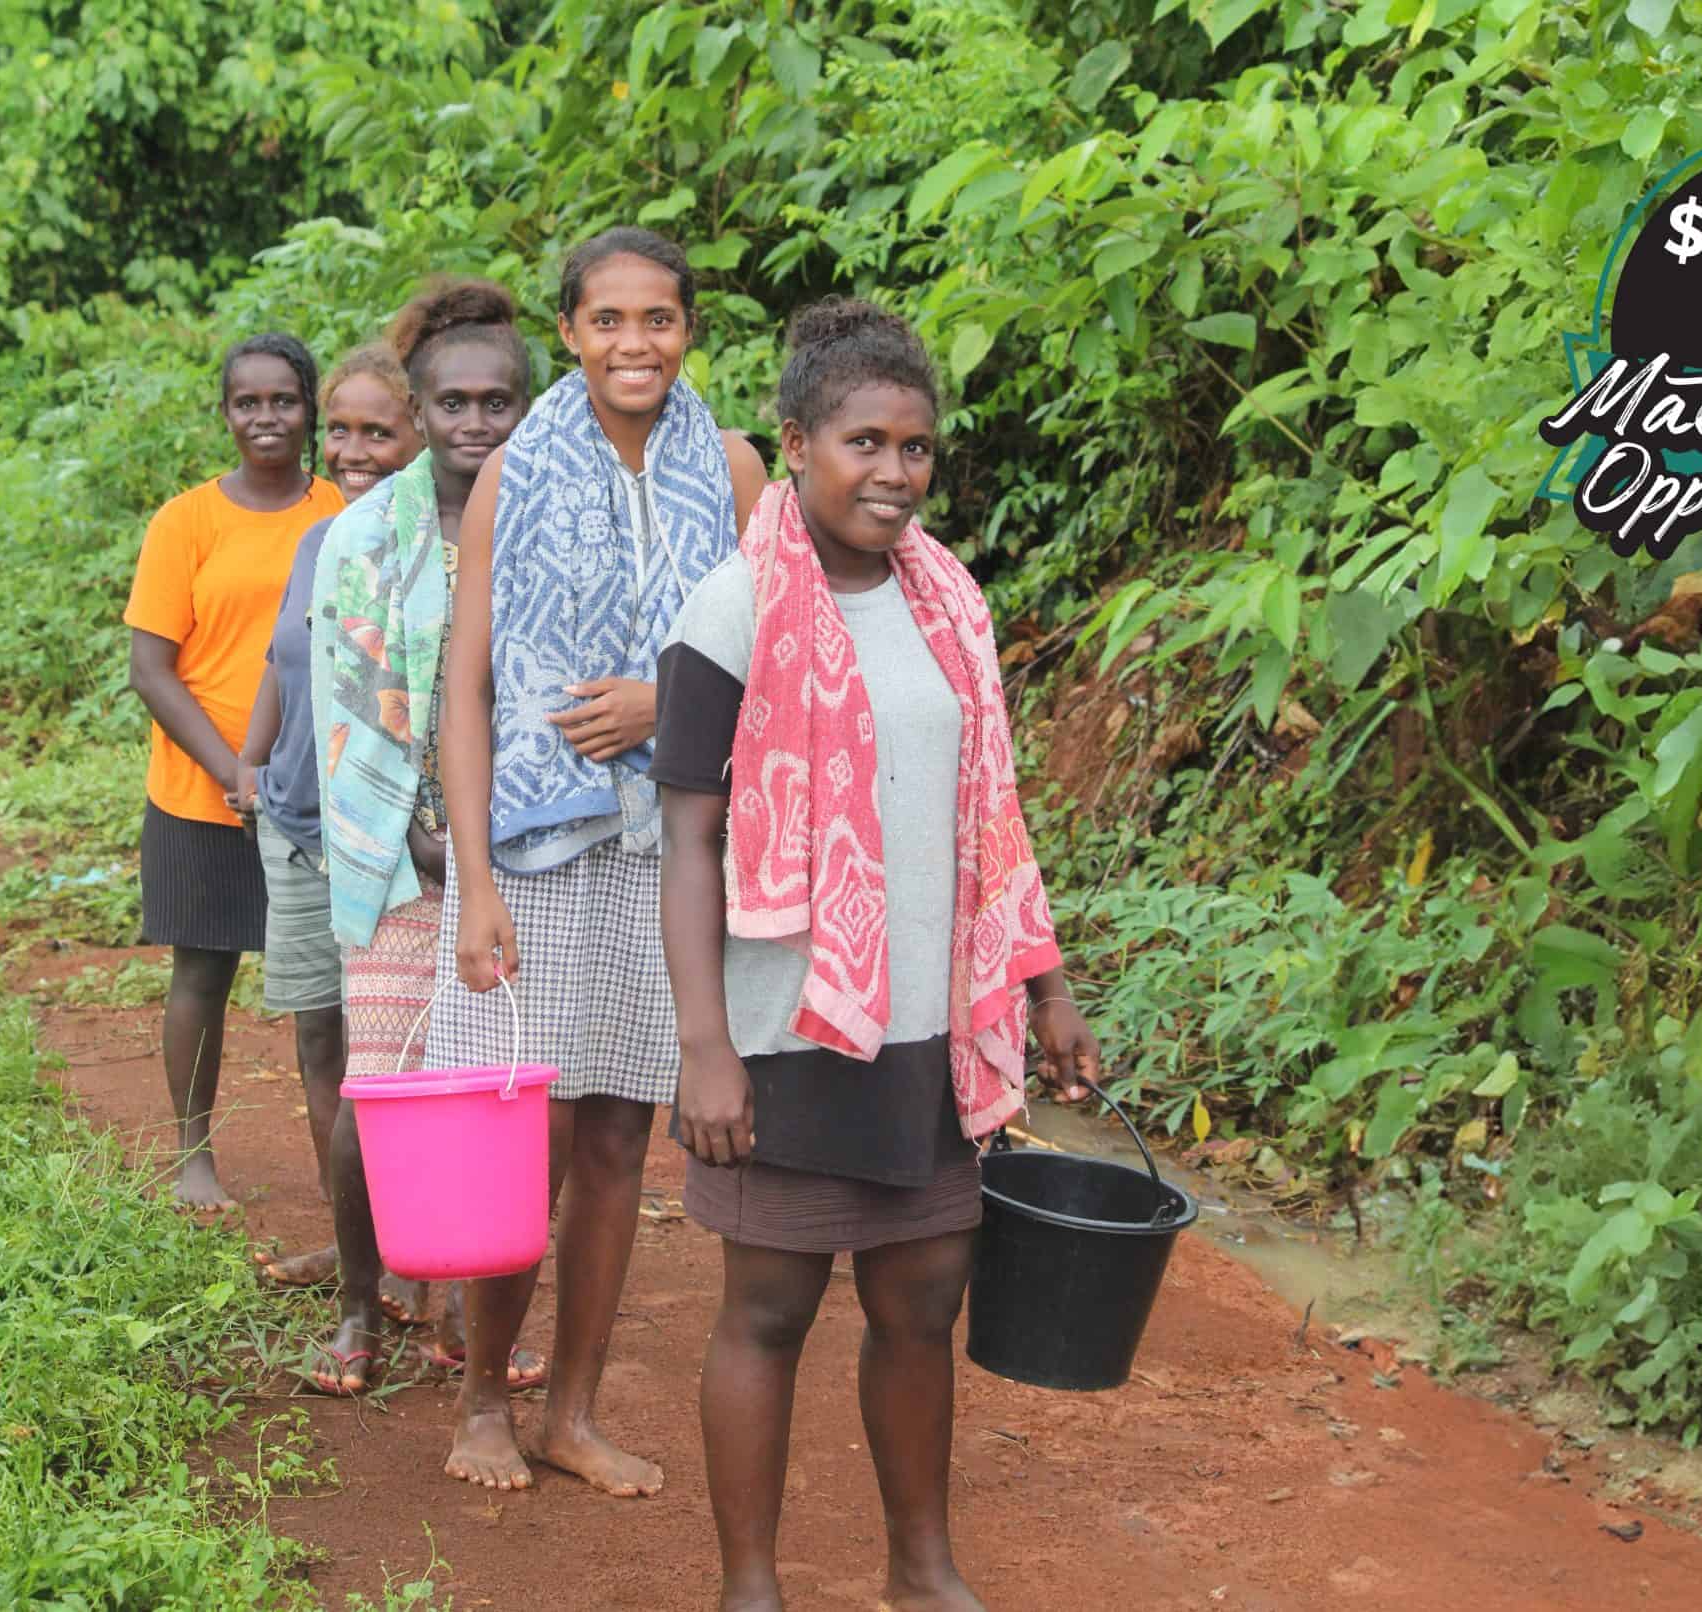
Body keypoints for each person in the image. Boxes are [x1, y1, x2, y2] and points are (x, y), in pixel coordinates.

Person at [651, 298, 1104, 1612]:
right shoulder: (730, 613)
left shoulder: (948, 604)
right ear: (795, 444)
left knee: (921, 1310)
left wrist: (1048, 992)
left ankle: (923, 1568)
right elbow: (688, 841)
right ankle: (750, 1586)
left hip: (930, 1028)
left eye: (916, 448)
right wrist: (707, 1051)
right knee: (769, 1315)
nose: (894, 474)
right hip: (786, 1035)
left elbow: (991, 817)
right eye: (865, 442)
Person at [433, 225, 768, 1496]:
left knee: (625, 1135)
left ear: (690, 330)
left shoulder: (731, 466)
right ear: (568, 334)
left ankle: (569, 1412)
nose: (637, 343)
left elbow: (771, 659)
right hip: (535, 848)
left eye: (661, 320)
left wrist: (660, 705)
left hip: (671, 848)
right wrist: (473, 882)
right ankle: (480, 1399)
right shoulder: (515, 471)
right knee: (530, 1138)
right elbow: (465, 689)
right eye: (609, 321)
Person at [292, 281, 551, 1396]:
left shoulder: (548, 517)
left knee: (503, 1094)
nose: (475, 424)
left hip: (533, 852)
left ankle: (469, 1321)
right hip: (399, 860)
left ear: (528, 407)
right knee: (382, 1090)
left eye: (499, 402)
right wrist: (425, 834)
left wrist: (496, 839)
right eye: (453, 402)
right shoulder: (362, 534)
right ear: (422, 406)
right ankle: (363, 1305)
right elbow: (354, 699)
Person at [123, 332, 343, 1210]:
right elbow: (151, 667)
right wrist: (230, 771)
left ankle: (344, 1182)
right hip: (198, 791)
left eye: (283, 400)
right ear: (225, 413)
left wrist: (273, 775)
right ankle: (194, 1156)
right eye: (247, 402)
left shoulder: (339, 507)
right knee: (201, 972)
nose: (266, 417)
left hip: (317, 794)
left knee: (325, 1001)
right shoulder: (187, 521)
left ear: (310, 409)